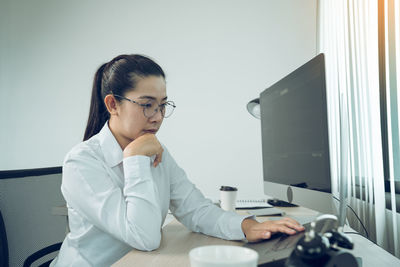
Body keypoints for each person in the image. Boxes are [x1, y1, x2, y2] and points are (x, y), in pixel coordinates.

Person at [51, 54, 304, 266]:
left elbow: (195, 209)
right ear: (113, 104)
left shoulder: (155, 150)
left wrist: (247, 226)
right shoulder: (82, 163)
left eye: (162, 105)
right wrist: (135, 158)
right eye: (147, 105)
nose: (157, 117)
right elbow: (144, 237)